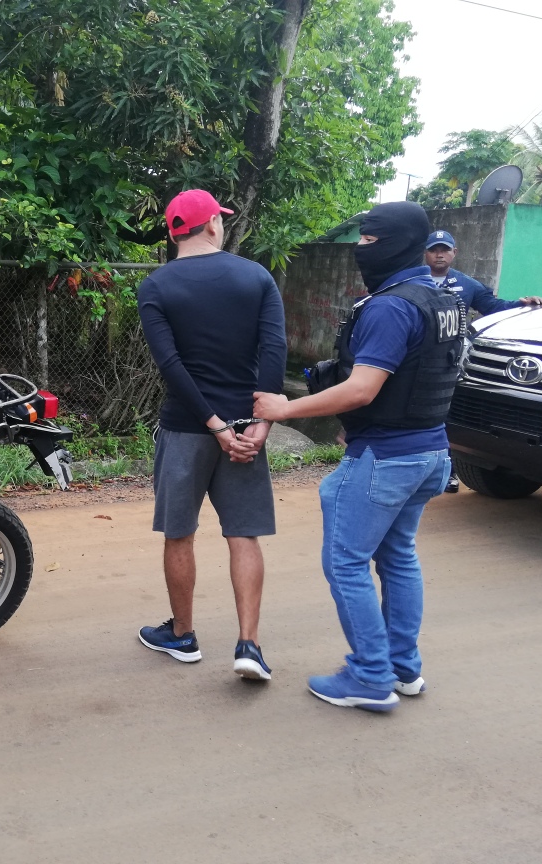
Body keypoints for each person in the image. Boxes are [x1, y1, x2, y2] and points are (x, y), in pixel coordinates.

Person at [253, 201, 461, 712]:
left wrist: (284, 408)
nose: (361, 249)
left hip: (387, 457)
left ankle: (370, 676)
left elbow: (362, 389)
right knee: (398, 556)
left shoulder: (391, 307)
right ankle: (403, 668)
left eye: (370, 241)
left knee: (346, 564)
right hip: (430, 450)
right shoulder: (442, 298)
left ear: (398, 243)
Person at [135, 189, 287, 680]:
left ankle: (182, 636)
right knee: (243, 533)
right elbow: (274, 350)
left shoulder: (156, 285)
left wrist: (211, 423)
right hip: (245, 430)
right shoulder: (256, 277)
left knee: (179, 533)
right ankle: (249, 646)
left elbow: (170, 365)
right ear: (213, 225)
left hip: (186, 428)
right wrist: (261, 422)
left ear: (173, 232)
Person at [425, 229, 542, 492]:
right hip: (415, 360)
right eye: (434, 250)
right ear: (425, 253)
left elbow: (494, 307)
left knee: (445, 415)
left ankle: (447, 472)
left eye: (444, 249)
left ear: (454, 253)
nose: (439, 254)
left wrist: (523, 304)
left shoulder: (467, 284)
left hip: (449, 362)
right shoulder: (413, 279)